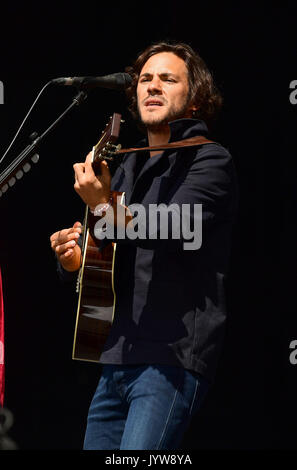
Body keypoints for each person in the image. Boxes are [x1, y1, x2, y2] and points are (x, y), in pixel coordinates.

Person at [50, 41, 238, 450]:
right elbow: (113, 249)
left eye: (168, 79)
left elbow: (172, 227)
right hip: (114, 360)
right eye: (145, 79)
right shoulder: (128, 164)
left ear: (195, 98)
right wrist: (76, 262)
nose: (152, 86)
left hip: (169, 358)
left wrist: (102, 205)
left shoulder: (209, 160)